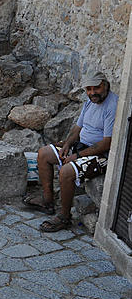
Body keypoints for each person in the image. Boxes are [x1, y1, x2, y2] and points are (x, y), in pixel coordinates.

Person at [23, 70, 118, 233]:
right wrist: (67, 144)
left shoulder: (112, 105)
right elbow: (77, 128)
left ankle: (64, 217)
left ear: (105, 86)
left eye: (96, 88)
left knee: (67, 171)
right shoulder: (90, 102)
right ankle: (47, 200)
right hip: (81, 146)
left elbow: (106, 143)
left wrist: (77, 156)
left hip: (101, 155)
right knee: (44, 153)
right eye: (89, 89)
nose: (92, 93)